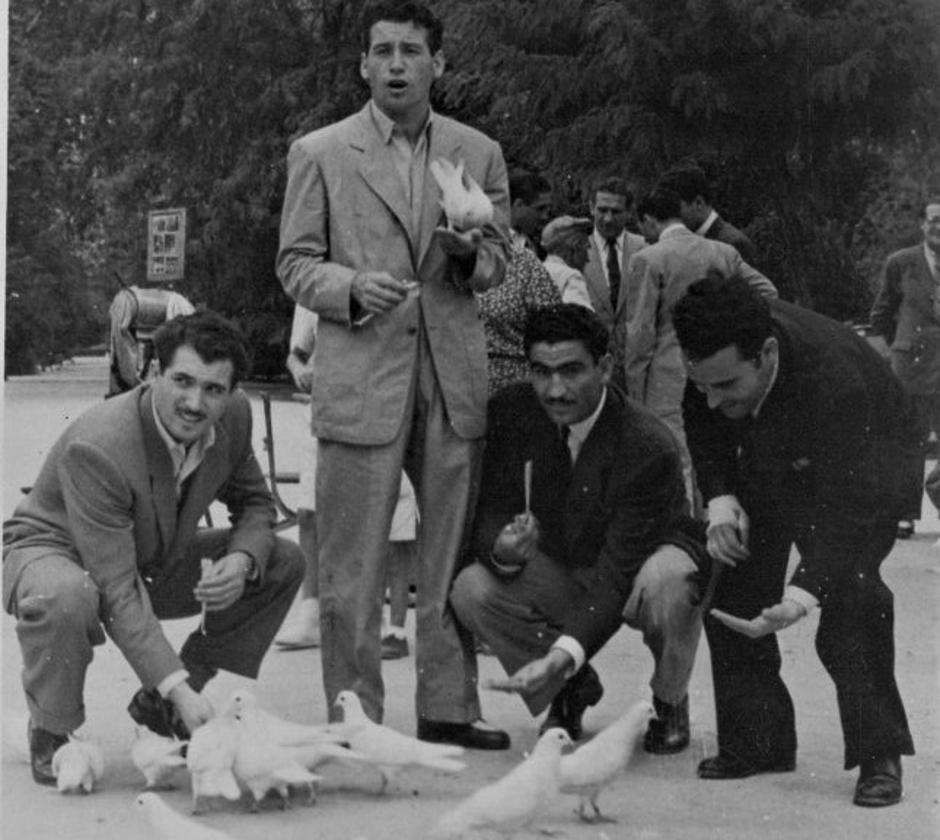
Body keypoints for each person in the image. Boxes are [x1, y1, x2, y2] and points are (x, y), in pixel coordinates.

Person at [276, 0, 511, 749]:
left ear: (440, 64)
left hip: (450, 378)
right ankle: (354, 718)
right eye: (384, 51)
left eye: (413, 50)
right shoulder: (320, 151)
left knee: (448, 554)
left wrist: (473, 254)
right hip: (361, 376)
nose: (398, 64)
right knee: (350, 562)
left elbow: (499, 267)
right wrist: (347, 289)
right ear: (363, 66)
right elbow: (293, 264)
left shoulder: (480, 151)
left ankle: (446, 707)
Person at [3, 311, 305, 786]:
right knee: (67, 595)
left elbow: (255, 504)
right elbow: (115, 587)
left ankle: (161, 705)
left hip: (148, 554)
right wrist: (183, 692)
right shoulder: (100, 444)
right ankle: (51, 731)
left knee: (280, 561)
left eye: (213, 389)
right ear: (152, 373)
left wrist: (241, 561)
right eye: (182, 381)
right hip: (57, 553)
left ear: (230, 393)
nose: (194, 402)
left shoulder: (235, 417)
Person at [674, 275, 920, 807]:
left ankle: (879, 753)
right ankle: (759, 743)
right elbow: (700, 415)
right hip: (772, 449)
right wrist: (719, 496)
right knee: (732, 579)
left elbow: (849, 512)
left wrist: (802, 594)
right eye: (703, 384)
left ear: (765, 353)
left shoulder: (838, 383)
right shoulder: (716, 367)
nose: (712, 400)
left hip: (865, 472)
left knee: (852, 598)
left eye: (726, 385)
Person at [451, 304, 706, 749]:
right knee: (472, 588)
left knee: (669, 583)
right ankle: (568, 690)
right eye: (541, 372)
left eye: (571, 371)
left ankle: (668, 698)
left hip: (633, 573)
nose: (555, 390)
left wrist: (561, 652)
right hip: (566, 567)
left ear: (605, 367)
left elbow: (616, 575)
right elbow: (489, 510)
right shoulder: (511, 412)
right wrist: (503, 548)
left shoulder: (647, 444)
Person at [620, 187, 776, 507]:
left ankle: (687, 530)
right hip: (722, 371)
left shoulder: (647, 259)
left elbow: (639, 334)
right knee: (714, 451)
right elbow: (767, 291)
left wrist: (634, 394)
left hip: (665, 376)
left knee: (675, 456)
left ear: (649, 221)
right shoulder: (721, 251)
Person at [869, 200, 940, 539]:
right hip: (912, 368)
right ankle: (904, 514)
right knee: (909, 443)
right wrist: (902, 344)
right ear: (922, 225)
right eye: (934, 220)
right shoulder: (901, 263)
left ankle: (937, 492)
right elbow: (881, 316)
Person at [477, 171, 563, 397]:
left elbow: (552, 321)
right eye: (540, 208)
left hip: (514, 387)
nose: (546, 216)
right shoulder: (516, 257)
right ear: (517, 204)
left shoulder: (526, 257)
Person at [582, 176, 647, 333]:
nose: (608, 219)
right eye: (602, 210)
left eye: (616, 212)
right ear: (592, 207)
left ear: (629, 212)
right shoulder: (575, 251)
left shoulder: (645, 249)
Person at [107, 282, 195, 396]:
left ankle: (130, 386)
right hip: (127, 303)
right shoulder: (185, 310)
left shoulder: (182, 306)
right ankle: (133, 385)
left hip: (127, 301)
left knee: (120, 353)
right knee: (123, 353)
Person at [658, 164, 758, 264]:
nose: (669, 216)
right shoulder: (682, 243)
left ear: (698, 203)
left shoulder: (734, 244)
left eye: (674, 208)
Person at [540, 216, 596, 310]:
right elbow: (580, 321)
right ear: (576, 247)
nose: (588, 259)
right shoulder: (571, 277)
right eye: (586, 248)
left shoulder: (536, 271)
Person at [507, 170, 554, 255]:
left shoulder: (530, 244)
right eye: (540, 209)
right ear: (519, 205)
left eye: (548, 209)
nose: (545, 216)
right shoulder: (491, 241)